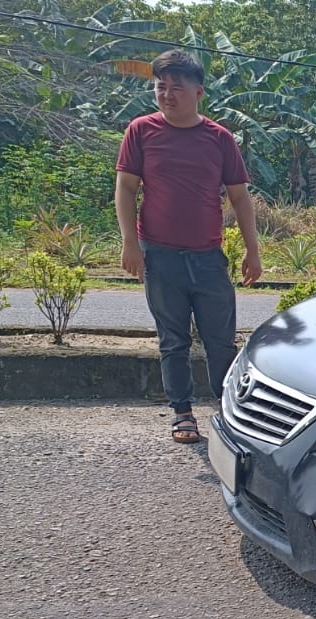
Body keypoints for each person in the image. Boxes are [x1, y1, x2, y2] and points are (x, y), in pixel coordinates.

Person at [115, 49, 262, 444]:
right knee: (173, 341)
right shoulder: (140, 131)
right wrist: (130, 243)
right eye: (160, 87)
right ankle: (182, 412)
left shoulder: (219, 138)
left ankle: (229, 412)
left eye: (176, 88)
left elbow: (240, 198)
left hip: (208, 257)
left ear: (198, 92)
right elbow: (126, 189)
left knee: (221, 342)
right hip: (159, 256)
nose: (167, 95)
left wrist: (253, 250)